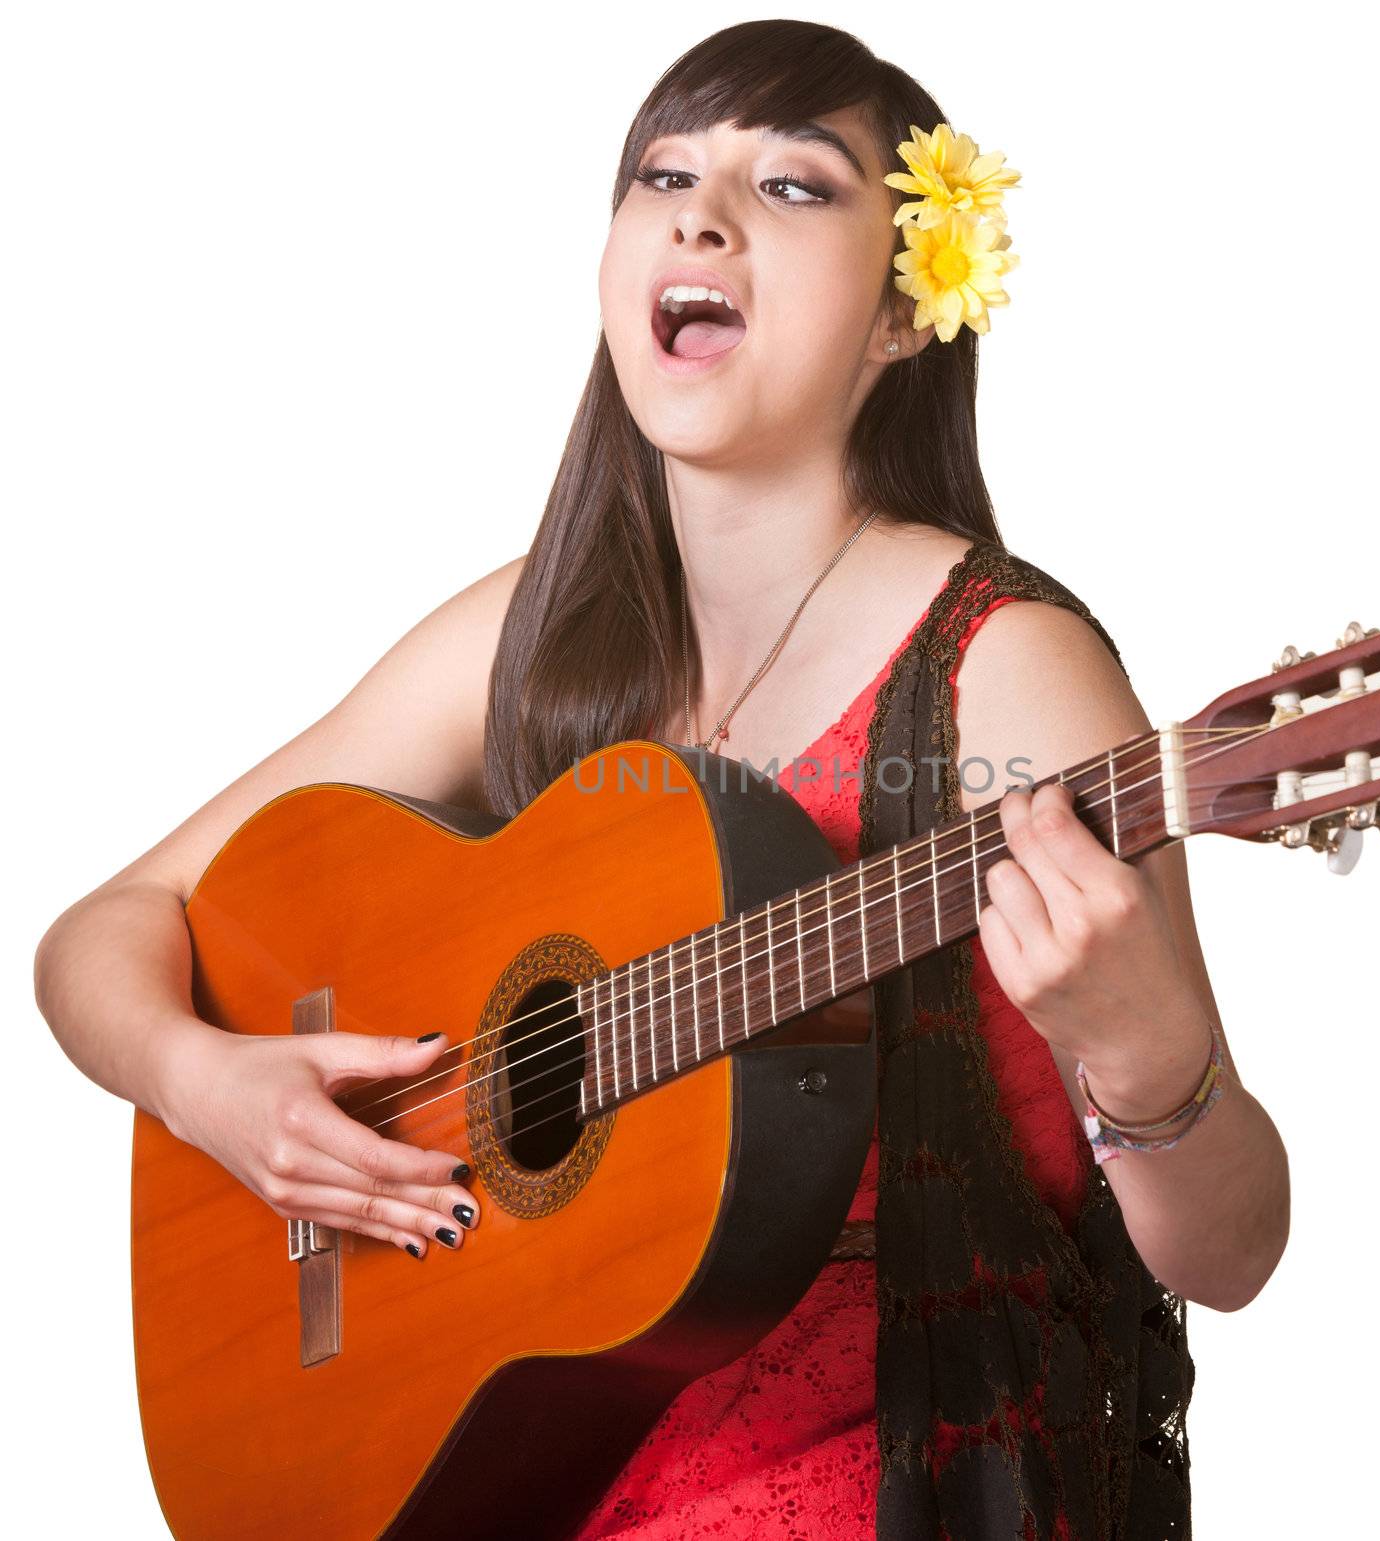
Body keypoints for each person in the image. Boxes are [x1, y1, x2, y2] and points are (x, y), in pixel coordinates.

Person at [34, 19, 1290, 1536]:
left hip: (888, 1479)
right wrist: (212, 1086)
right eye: (666, 173)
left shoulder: (1002, 668)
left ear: (906, 314)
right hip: (525, 1475)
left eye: (796, 187)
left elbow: (1229, 1251)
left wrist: (1148, 1057)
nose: (704, 213)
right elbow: (107, 928)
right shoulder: (530, 631)